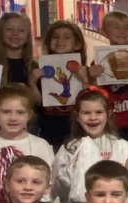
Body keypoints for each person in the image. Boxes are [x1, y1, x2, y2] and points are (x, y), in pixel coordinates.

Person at [51, 88, 128, 203]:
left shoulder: (123, 146)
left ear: (108, 115)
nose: (93, 118)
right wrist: (70, 172)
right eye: (86, 113)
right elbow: (56, 188)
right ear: (78, 117)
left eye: (99, 112)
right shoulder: (69, 149)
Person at [90, 11, 128, 146]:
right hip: (112, 123)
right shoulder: (99, 61)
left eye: (127, 28)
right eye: (116, 27)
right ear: (104, 32)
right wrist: (94, 79)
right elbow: (98, 96)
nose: (122, 31)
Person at [32, 20, 89, 149]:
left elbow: (89, 99)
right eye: (55, 37)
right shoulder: (42, 70)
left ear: (77, 44)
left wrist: (85, 80)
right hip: (50, 125)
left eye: (67, 37)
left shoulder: (83, 70)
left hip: (76, 125)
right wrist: (32, 82)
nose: (60, 41)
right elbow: (39, 101)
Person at [0, 12, 40, 101]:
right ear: (0, 32)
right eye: (9, 29)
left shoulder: (34, 67)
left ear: (28, 36)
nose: (15, 33)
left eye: (21, 30)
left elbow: (39, 103)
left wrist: (32, 84)